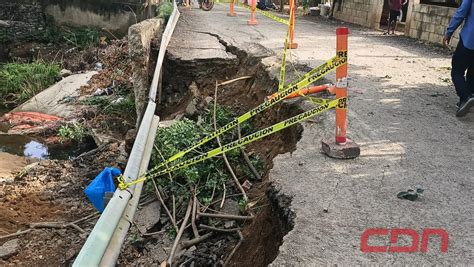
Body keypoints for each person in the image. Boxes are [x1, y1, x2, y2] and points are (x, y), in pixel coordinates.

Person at [444, 0, 474, 117]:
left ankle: (466, 97)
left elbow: (461, 13)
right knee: (472, 72)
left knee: (457, 70)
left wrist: (449, 32)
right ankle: (466, 100)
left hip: (469, 39)